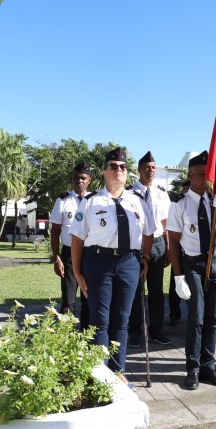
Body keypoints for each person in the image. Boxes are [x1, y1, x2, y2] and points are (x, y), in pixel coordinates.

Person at [69, 147, 155, 377]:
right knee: (100, 320)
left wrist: (145, 257)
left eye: (123, 167)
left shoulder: (137, 202)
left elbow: (149, 232)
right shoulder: (90, 202)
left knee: (122, 320)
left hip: (129, 263)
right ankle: (100, 374)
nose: (119, 170)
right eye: (114, 166)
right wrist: (77, 272)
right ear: (104, 172)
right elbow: (76, 238)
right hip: (98, 263)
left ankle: (118, 372)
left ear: (127, 174)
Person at [167, 151, 216, 390]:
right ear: (190, 175)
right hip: (193, 264)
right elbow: (173, 241)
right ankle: (193, 368)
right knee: (196, 318)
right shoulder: (179, 204)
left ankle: (209, 366)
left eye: (209, 175)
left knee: (214, 318)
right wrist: (178, 276)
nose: (206, 179)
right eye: (202, 174)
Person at [127, 151, 172, 347]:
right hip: (137, 245)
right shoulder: (129, 193)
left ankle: (157, 330)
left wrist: (169, 248)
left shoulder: (161, 193)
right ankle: (135, 331)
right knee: (136, 290)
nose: (150, 171)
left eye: (153, 167)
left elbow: (165, 222)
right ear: (139, 170)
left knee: (156, 290)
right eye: (146, 167)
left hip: (158, 243)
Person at [50, 162, 93, 321]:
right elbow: (55, 231)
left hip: (90, 254)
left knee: (89, 297)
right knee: (68, 299)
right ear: (71, 179)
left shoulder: (94, 201)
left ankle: (87, 336)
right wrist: (56, 258)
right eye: (76, 178)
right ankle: (67, 335)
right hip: (68, 255)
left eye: (83, 178)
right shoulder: (62, 201)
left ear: (89, 180)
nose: (79, 181)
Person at [168, 180, 190, 327]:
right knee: (175, 284)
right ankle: (174, 314)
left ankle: (192, 314)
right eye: (184, 190)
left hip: (191, 254)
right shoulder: (178, 204)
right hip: (179, 252)